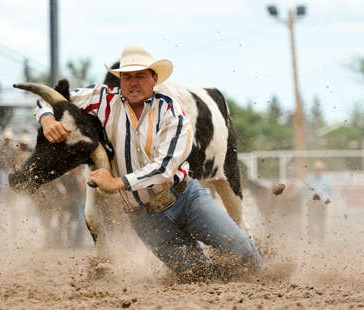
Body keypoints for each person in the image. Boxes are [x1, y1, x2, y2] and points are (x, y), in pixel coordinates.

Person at [34, 46, 261, 279]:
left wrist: (117, 183)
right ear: (119, 81)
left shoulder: (172, 111)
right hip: (145, 219)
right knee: (198, 274)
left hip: (187, 200)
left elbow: (164, 168)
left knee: (246, 257)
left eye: (140, 76)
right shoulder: (102, 99)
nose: (133, 83)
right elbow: (50, 98)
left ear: (154, 79)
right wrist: (47, 119)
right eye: (127, 77)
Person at [304, 160, 333, 242]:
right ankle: (311, 240)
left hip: (322, 203)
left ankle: (321, 240)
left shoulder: (327, 180)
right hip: (311, 202)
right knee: (311, 222)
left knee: (321, 223)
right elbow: (304, 191)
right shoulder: (309, 179)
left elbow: (330, 193)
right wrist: (307, 200)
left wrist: (327, 202)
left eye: (319, 169)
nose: (318, 171)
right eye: (316, 169)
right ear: (314, 170)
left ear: (322, 170)